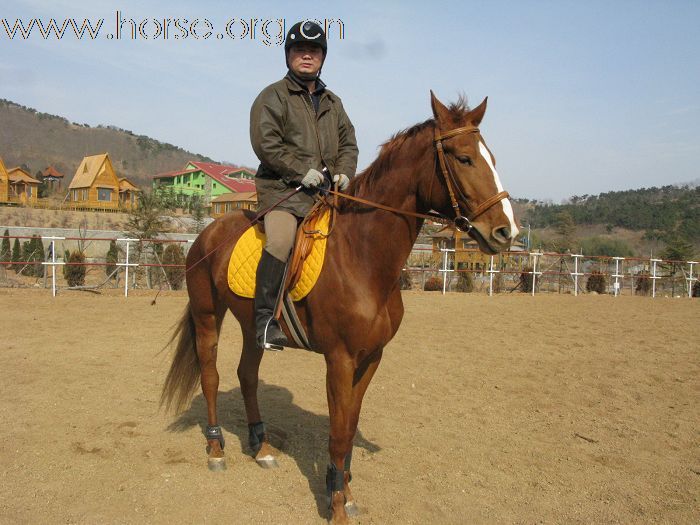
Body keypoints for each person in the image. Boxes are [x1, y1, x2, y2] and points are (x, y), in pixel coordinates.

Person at [249, 20, 359, 350]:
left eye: (313, 51)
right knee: (281, 241)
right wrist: (301, 172)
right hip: (284, 193)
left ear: (323, 57)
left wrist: (344, 172)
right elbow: (266, 144)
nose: (306, 56)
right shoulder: (272, 97)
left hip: (325, 195)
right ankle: (265, 320)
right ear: (288, 56)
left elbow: (348, 144)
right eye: (299, 50)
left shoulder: (333, 103)